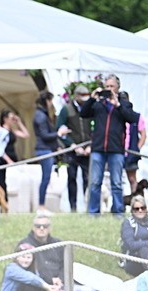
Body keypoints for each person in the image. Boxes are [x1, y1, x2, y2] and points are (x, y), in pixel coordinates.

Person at [80, 74, 138, 214]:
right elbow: (83, 113)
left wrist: (117, 105)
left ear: (118, 88)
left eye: (112, 86)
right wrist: (92, 98)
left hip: (116, 149)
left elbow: (132, 118)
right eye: (107, 87)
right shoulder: (98, 104)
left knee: (117, 183)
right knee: (95, 183)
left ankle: (118, 212)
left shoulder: (124, 104)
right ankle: (93, 213)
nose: (109, 89)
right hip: (98, 148)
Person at [56, 84, 93, 212]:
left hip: (87, 150)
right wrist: (71, 144)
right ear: (76, 96)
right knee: (71, 177)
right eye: (82, 96)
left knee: (87, 178)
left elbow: (94, 129)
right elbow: (60, 130)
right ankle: (73, 207)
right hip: (72, 151)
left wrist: (89, 145)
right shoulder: (66, 109)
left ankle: (86, 206)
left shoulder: (89, 109)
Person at [33, 90, 69, 214]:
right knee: (45, 178)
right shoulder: (40, 115)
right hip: (43, 150)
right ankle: (41, 206)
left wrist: (56, 147)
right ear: (47, 101)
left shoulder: (41, 114)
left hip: (47, 149)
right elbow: (44, 135)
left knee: (46, 178)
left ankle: (42, 206)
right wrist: (59, 134)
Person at [119, 91, 147, 194]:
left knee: (132, 179)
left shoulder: (136, 116)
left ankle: (135, 201)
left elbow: (143, 134)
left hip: (131, 152)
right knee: (115, 179)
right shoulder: (117, 115)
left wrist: (137, 148)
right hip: (118, 150)